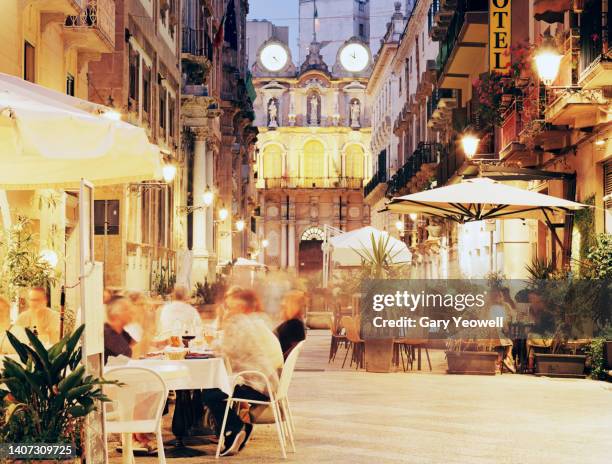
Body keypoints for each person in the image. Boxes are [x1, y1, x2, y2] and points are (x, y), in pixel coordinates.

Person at [203, 289, 284, 456]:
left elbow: (224, 351)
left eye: (230, 304)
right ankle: (241, 428)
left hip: (256, 385)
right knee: (216, 389)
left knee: (210, 393)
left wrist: (211, 341)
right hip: (266, 383)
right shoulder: (247, 321)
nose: (227, 307)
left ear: (239, 306)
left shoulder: (236, 322)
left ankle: (235, 428)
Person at [275, 290, 307, 359]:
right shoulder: (294, 324)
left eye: (284, 306)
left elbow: (294, 351)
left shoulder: (295, 324)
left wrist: (278, 362)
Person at [103, 296, 135, 363]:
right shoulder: (107, 333)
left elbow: (135, 344)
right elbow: (132, 356)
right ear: (116, 313)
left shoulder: (122, 332)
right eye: (126, 309)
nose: (132, 312)